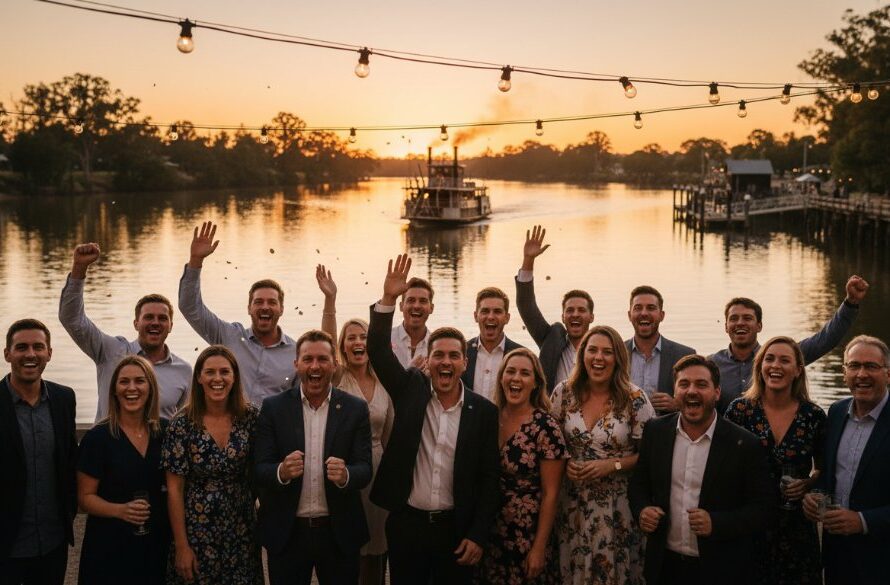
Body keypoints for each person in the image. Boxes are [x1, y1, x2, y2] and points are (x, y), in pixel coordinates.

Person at [367, 254, 500, 585]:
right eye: (438, 354)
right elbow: (379, 352)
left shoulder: (483, 412)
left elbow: (489, 480)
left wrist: (478, 535)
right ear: (428, 360)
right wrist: (387, 299)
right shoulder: (410, 389)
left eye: (454, 355)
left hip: (456, 530)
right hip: (407, 525)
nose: (445, 361)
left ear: (464, 364)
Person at [628, 355, 775, 585]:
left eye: (701, 384)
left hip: (720, 569)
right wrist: (642, 510)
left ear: (717, 393)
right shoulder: (656, 432)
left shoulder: (745, 444)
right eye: (684, 384)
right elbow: (638, 485)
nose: (692, 391)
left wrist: (717, 524)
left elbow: (763, 509)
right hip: (665, 565)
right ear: (675, 391)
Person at [254, 329, 372, 585]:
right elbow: (259, 468)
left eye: (322, 359)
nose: (315, 366)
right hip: (288, 533)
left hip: (338, 532)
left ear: (334, 364)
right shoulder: (273, 407)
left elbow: (365, 468)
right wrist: (281, 472)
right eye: (308, 359)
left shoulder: (355, 408)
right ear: (297, 364)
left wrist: (347, 475)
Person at [549, 325, 655, 585]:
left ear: (618, 357)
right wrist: (565, 465)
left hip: (617, 508)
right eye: (592, 350)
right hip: (570, 504)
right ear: (582, 354)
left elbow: (653, 458)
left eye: (607, 352)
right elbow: (550, 447)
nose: (599, 358)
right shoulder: (563, 393)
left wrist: (614, 465)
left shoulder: (635, 398)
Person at [724, 337, 825, 585]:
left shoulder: (813, 416)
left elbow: (824, 469)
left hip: (797, 530)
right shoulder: (739, 411)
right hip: (749, 526)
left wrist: (809, 484)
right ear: (759, 366)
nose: (775, 365)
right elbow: (720, 467)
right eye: (769, 359)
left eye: (784, 360)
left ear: (798, 369)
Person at [316, 265, 393, 585]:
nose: (358, 342)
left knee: (378, 551)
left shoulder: (385, 381)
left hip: (378, 470)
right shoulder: (337, 377)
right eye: (352, 338)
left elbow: (389, 433)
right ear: (344, 347)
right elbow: (325, 341)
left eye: (363, 336)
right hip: (342, 469)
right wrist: (330, 301)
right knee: (350, 551)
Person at [161, 345, 262, 585]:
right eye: (210, 372)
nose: (218, 379)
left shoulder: (250, 418)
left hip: (241, 529)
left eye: (225, 372)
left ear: (234, 377)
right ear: (199, 377)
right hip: (197, 530)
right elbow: (174, 490)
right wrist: (181, 546)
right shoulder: (181, 424)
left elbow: (260, 471)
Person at [60, 242, 191, 420]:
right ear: (136, 323)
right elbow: (72, 319)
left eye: (162, 318)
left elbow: (185, 423)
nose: (155, 323)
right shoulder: (110, 351)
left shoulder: (183, 371)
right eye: (148, 317)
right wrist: (79, 268)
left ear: (171, 326)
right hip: (110, 445)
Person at [709, 274, 869, 412]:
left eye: (747, 318)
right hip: (726, 445)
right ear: (726, 327)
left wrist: (850, 303)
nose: (740, 323)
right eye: (734, 319)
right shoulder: (711, 364)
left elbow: (825, 340)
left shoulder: (784, 358)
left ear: (759, 326)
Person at [178, 221, 297, 406]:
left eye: (272, 302)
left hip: (272, 433)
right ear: (249, 308)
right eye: (258, 302)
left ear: (281, 309)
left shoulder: (296, 353)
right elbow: (190, 307)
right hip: (230, 430)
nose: (265, 307)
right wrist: (196, 261)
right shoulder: (229, 337)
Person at [803, 335, 890, 585]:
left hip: (882, 558)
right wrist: (815, 494)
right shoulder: (837, 412)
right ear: (844, 372)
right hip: (837, 556)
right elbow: (832, 474)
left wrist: (862, 521)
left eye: (871, 366)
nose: (861, 374)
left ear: (888, 374)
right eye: (854, 366)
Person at [77, 355, 171, 585]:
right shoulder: (97, 438)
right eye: (124, 382)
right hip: (109, 545)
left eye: (139, 381)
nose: (132, 388)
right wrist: (119, 510)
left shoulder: (165, 432)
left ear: (150, 388)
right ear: (114, 390)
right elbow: (84, 498)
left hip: (156, 543)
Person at [478, 348, 568, 585]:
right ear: (501, 378)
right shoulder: (488, 417)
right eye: (510, 371)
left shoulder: (545, 427)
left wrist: (538, 548)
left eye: (525, 373)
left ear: (536, 383)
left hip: (527, 535)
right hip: (487, 531)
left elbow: (551, 494)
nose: (516, 378)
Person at [0, 319, 77, 585]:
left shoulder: (64, 398)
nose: (30, 354)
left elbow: (68, 460)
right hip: (6, 546)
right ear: (8, 353)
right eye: (21, 347)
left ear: (49, 353)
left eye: (38, 347)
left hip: (52, 543)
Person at [516, 225, 595, 393]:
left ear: (591, 317)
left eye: (581, 310)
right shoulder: (551, 340)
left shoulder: (602, 347)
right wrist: (528, 261)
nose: (575, 314)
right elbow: (526, 306)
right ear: (563, 316)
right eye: (570, 310)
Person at [623, 285, 695, 413]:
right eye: (638, 308)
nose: (644, 313)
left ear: (662, 315)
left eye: (651, 308)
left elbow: (697, 400)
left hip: (666, 430)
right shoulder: (616, 353)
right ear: (629, 315)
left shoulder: (684, 355)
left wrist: (677, 405)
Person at [461, 287, 524, 401]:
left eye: (497, 311)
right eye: (485, 311)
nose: (490, 317)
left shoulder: (521, 355)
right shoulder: (461, 352)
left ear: (507, 318)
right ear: (476, 316)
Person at [390, 275, 435, 369]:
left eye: (423, 301)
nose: (416, 306)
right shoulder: (387, 339)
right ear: (401, 306)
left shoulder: (436, 346)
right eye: (411, 300)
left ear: (431, 308)